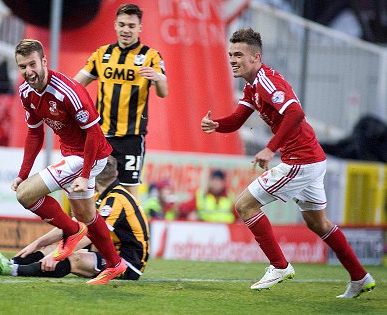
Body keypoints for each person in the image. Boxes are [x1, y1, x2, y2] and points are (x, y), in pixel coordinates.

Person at [200, 28, 375, 298]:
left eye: (238, 54)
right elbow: (236, 120)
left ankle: (279, 266)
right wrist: (216, 124)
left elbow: (295, 112)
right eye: (230, 54)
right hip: (312, 160)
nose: (232, 59)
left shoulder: (267, 81)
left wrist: (270, 149)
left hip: (299, 161)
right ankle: (360, 277)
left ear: (256, 57)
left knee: (244, 205)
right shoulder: (252, 86)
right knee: (319, 224)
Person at [12, 39, 126, 284]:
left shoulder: (67, 91)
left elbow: (94, 134)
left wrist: (85, 175)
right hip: (73, 155)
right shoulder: (25, 92)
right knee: (88, 216)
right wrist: (23, 172)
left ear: (44, 61)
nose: (28, 71)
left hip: (89, 155)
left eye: (32, 64)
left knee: (24, 195)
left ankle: (71, 233)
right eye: (22, 67)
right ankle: (115, 264)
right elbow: (35, 133)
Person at [0, 156, 150, 281]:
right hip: (110, 252)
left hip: (129, 263)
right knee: (50, 248)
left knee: (73, 258)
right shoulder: (100, 195)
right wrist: (37, 243)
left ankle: (10, 270)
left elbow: (88, 235)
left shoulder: (116, 199)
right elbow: (74, 228)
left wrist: (58, 255)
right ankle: (5, 264)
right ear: (116, 174)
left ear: (94, 172)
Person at [74, 3, 168, 198]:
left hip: (131, 138)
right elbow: (75, 85)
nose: (126, 30)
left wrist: (157, 78)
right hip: (101, 136)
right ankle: (87, 228)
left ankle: (134, 228)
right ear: (115, 25)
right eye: (123, 25)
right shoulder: (102, 54)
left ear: (140, 28)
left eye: (132, 26)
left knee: (129, 195)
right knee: (90, 190)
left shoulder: (150, 56)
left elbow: (163, 92)